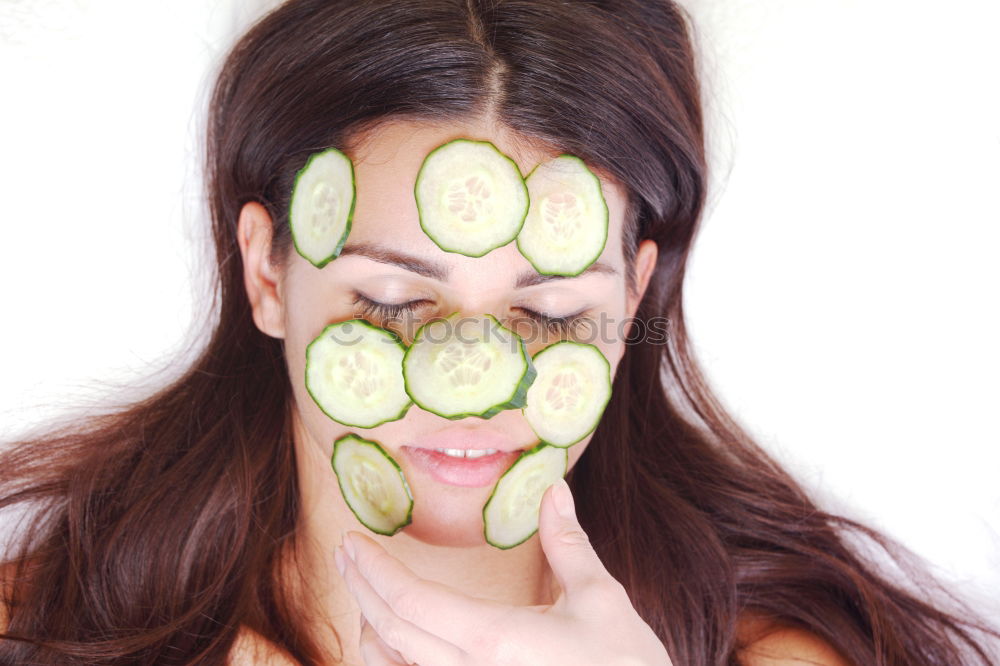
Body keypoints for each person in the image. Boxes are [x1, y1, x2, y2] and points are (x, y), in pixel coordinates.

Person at [1, 0, 997, 664]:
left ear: (631, 300)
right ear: (268, 275)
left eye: (547, 312)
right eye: (391, 304)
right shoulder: (37, 630)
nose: (467, 382)